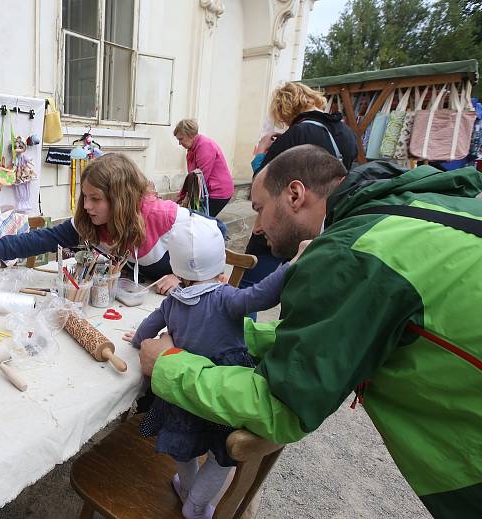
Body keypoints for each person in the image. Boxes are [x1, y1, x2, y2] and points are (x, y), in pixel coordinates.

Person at [138, 145, 482, 519]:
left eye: (258, 209)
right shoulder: (398, 211)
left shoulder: (353, 254)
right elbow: (321, 342)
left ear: (295, 195)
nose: (255, 228)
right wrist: (235, 337)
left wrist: (169, 363)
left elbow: (283, 406)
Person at [124, 216, 295, 519]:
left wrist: (138, 340)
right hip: (219, 385)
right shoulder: (225, 296)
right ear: (220, 267)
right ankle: (197, 505)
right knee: (223, 455)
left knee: (183, 447)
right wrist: (291, 265)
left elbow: (149, 325)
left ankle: (186, 488)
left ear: (176, 268)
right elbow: (263, 295)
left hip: (181, 389)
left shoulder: (172, 302)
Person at [0, 153, 212, 294]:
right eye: (85, 197)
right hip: (133, 299)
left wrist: (183, 275)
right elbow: (39, 239)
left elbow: (215, 232)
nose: (86, 206)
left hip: (178, 302)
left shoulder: (160, 215)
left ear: (120, 199)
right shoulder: (91, 221)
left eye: (95, 199)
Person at [241, 81, 358, 297]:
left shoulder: (296, 134)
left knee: (248, 285)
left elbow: (264, 187)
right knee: (301, 287)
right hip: (323, 226)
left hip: (284, 223)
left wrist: (260, 154)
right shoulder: (347, 135)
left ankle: (237, 327)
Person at [174, 119, 235, 218]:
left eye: (181, 139)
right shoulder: (193, 147)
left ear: (190, 135)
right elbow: (193, 177)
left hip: (217, 192)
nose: (180, 143)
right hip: (205, 189)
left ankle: (218, 233)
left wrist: (187, 197)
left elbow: (200, 178)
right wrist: (183, 195)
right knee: (197, 219)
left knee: (201, 221)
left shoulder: (204, 146)